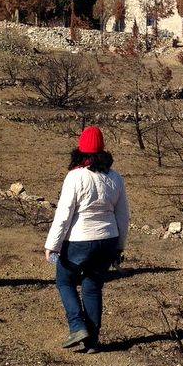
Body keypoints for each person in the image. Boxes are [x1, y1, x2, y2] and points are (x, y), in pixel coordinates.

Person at [45, 126, 128, 353]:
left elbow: (64, 214)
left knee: (65, 281)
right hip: (108, 239)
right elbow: (123, 215)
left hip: (80, 239)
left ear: (80, 151)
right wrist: (119, 246)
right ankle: (92, 342)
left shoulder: (75, 176)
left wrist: (52, 245)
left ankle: (77, 326)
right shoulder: (115, 177)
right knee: (92, 288)